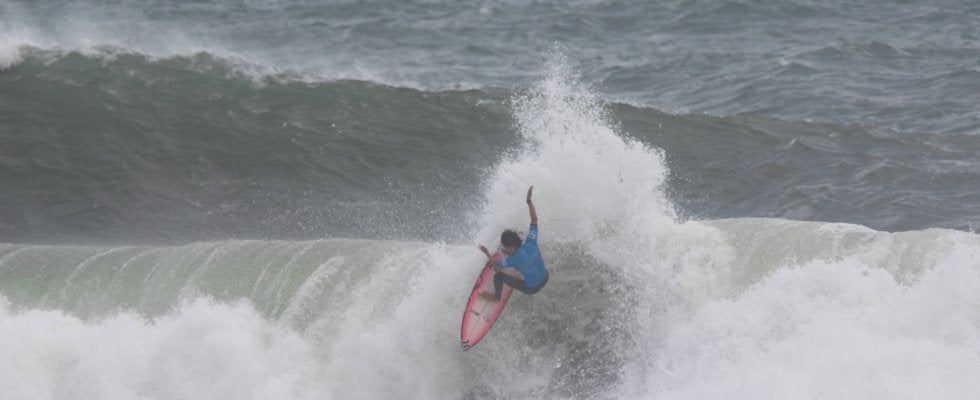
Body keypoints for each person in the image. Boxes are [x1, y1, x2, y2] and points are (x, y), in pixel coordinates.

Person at [477, 186, 549, 302]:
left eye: (505, 246)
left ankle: (496, 298)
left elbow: (495, 265)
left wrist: (487, 253)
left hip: (532, 288)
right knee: (523, 235)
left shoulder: (512, 260)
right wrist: (529, 201)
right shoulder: (531, 241)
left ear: (510, 246)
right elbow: (534, 219)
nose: (504, 248)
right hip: (545, 278)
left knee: (499, 276)